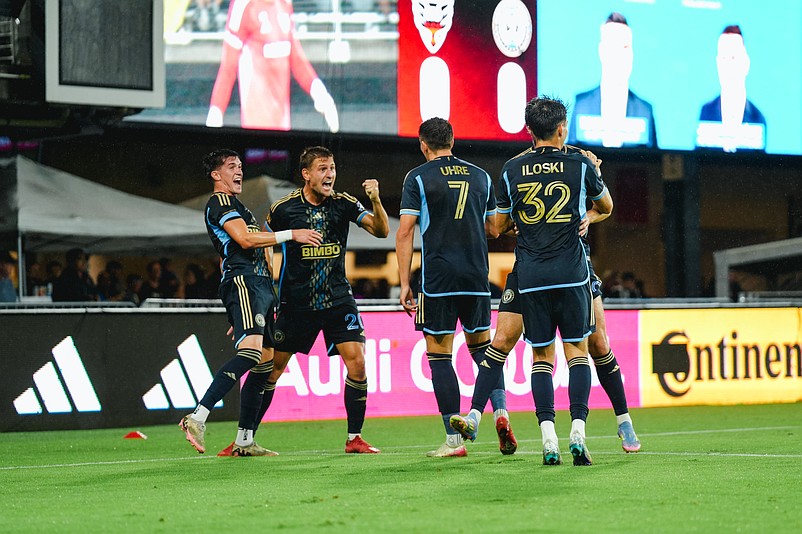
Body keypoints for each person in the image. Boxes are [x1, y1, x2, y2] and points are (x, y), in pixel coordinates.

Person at [451, 97, 613, 466]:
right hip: (573, 275)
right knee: (577, 353)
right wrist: (585, 215)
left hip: (533, 276)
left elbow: (498, 226)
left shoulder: (511, 170)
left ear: (529, 130)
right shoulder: (581, 165)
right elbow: (607, 207)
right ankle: (578, 432)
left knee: (541, 357)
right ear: (561, 129)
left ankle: (548, 439)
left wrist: (519, 221)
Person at [179, 149, 323, 456]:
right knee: (252, 354)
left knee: (265, 360)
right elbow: (244, 241)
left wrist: (250, 309)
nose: (239, 171)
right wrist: (291, 234)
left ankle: (245, 440)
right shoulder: (220, 202)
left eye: (241, 166)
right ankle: (197, 416)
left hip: (258, 289)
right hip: (244, 282)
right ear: (216, 175)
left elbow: (244, 247)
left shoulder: (238, 206)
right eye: (232, 166)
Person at [254, 146, 390, 454]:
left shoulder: (344, 204)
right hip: (296, 304)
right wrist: (267, 280)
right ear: (306, 174)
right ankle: (246, 436)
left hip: (338, 300)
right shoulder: (284, 209)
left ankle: (354, 438)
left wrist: (376, 199)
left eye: (332, 168)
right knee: (271, 370)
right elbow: (263, 237)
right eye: (323, 169)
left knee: (357, 362)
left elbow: (381, 231)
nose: (330, 175)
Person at [395, 117, 517, 458]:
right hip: (478, 279)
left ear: (423, 144)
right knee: (484, 353)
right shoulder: (480, 175)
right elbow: (495, 229)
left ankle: (454, 441)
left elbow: (405, 232)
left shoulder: (417, 177)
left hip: (438, 280)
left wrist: (405, 284)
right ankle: (502, 413)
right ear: (453, 140)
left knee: (439, 357)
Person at [205, 0, 339, 132]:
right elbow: (228, 68)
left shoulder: (284, 4)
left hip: (282, 122)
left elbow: (296, 59)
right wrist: (215, 113)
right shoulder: (243, 5)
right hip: (256, 123)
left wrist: (320, 93)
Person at [569, 12, 656, 148]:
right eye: (613, 46)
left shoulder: (645, 111)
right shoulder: (581, 105)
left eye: (625, 47)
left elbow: (653, 164)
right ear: (602, 50)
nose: (620, 54)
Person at [696, 25, 766, 153]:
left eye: (733, 58)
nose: (728, 65)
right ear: (717, 63)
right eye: (724, 58)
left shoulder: (757, 117)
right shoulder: (706, 112)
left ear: (746, 63)